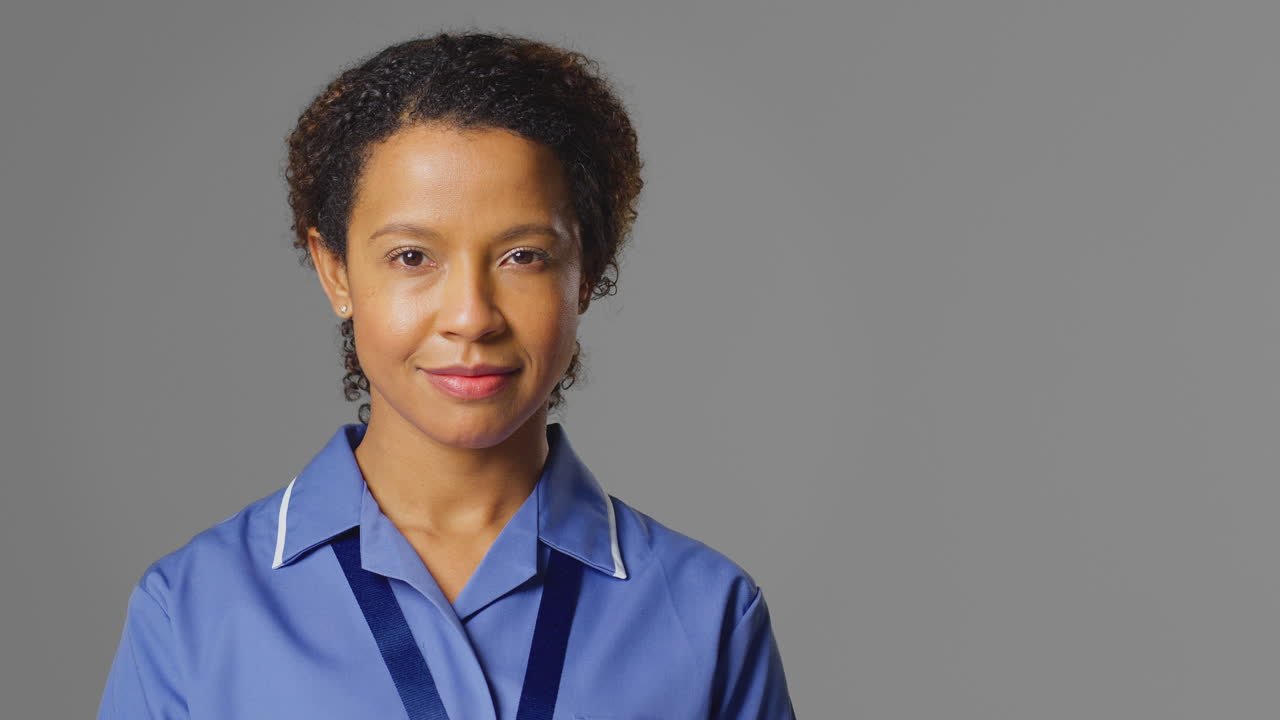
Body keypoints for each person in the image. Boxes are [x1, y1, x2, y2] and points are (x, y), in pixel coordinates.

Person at [97, 30, 796, 719]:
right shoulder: (192, 610)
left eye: (523, 257)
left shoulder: (708, 615)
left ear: (586, 274)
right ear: (335, 271)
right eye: (412, 257)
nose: (471, 317)